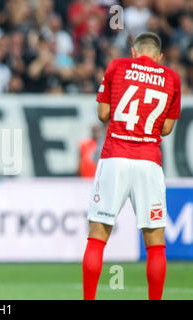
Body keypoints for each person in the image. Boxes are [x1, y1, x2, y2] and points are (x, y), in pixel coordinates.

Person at [82, 32, 181, 300]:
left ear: (134, 52)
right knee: (155, 243)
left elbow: (103, 115)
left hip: (115, 155)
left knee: (98, 235)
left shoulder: (118, 66)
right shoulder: (172, 78)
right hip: (148, 161)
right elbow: (168, 128)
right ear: (159, 57)